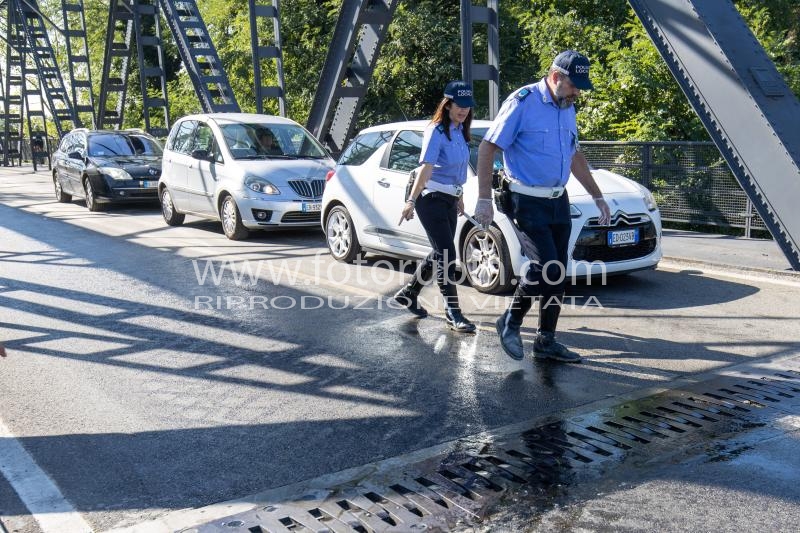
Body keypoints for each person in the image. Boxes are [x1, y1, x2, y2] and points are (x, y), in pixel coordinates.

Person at [474, 50, 611, 363]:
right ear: (555, 77)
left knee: (557, 272)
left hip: (556, 199)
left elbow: (575, 156)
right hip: (524, 199)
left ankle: (546, 341)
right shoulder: (523, 102)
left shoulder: (566, 107)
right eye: (574, 84)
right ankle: (509, 321)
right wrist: (483, 199)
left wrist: (597, 196)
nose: (578, 91)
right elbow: (487, 147)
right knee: (544, 266)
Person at [394, 81, 477, 333]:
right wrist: (410, 200)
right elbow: (426, 168)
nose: (464, 110)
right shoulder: (436, 131)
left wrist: (459, 195)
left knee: (440, 251)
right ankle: (453, 312)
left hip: (449, 198)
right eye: (459, 105)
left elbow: (458, 169)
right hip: (429, 198)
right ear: (448, 104)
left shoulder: (461, 129)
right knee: (447, 255)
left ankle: (410, 292)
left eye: (467, 106)